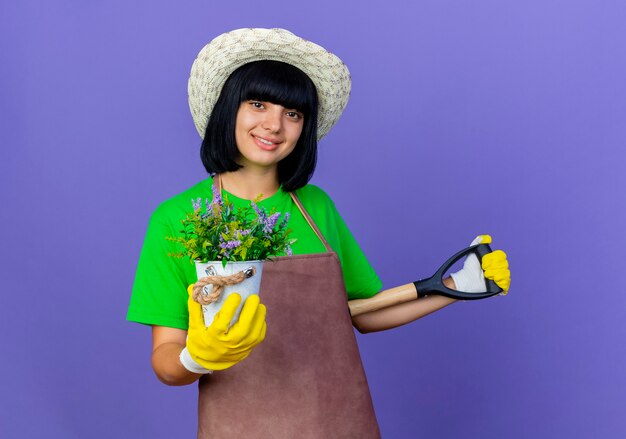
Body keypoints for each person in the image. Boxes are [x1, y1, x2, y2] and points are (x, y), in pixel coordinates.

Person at [127, 28, 510, 438]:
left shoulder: (316, 207)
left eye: (293, 113)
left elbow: (364, 312)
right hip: (239, 425)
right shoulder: (176, 219)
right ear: (227, 109)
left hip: (338, 420)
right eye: (258, 104)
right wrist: (198, 357)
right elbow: (166, 361)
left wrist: (459, 285)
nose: (274, 125)